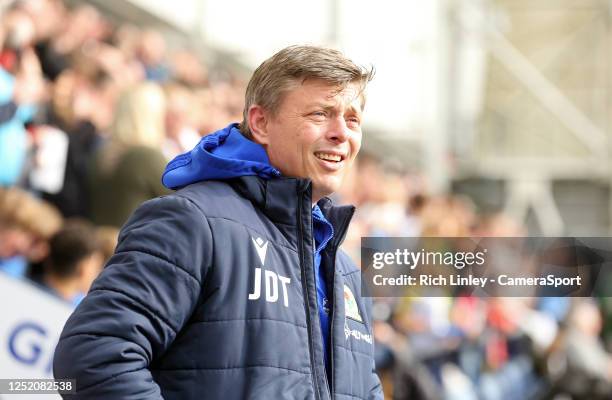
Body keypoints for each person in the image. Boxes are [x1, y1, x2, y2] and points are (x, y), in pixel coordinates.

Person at [54, 45, 383, 399]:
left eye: (352, 120)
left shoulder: (345, 270)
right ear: (261, 123)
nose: (341, 133)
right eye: (321, 114)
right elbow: (94, 357)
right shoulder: (193, 221)